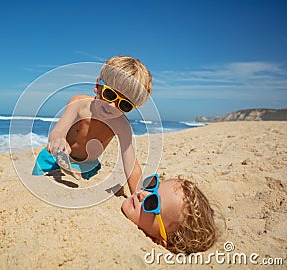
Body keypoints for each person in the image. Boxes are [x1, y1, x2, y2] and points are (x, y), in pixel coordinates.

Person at [32, 55, 151, 189]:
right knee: (38, 172)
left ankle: (74, 170)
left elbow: (131, 165)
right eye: (109, 95)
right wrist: (58, 141)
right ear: (98, 86)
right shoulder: (79, 104)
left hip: (87, 164)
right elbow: (58, 132)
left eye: (124, 105)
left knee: (80, 173)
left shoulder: (121, 125)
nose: (112, 106)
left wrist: (138, 194)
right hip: (58, 154)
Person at [121, 174, 219, 254]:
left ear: (159, 241)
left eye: (152, 203)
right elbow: (132, 168)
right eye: (151, 186)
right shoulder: (138, 204)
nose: (142, 194)